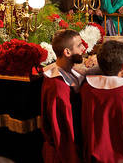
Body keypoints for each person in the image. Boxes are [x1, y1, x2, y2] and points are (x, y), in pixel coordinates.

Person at [41, 29, 86, 163]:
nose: (83, 48)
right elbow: (62, 131)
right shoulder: (57, 87)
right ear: (67, 52)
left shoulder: (68, 71)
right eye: (79, 45)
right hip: (64, 154)